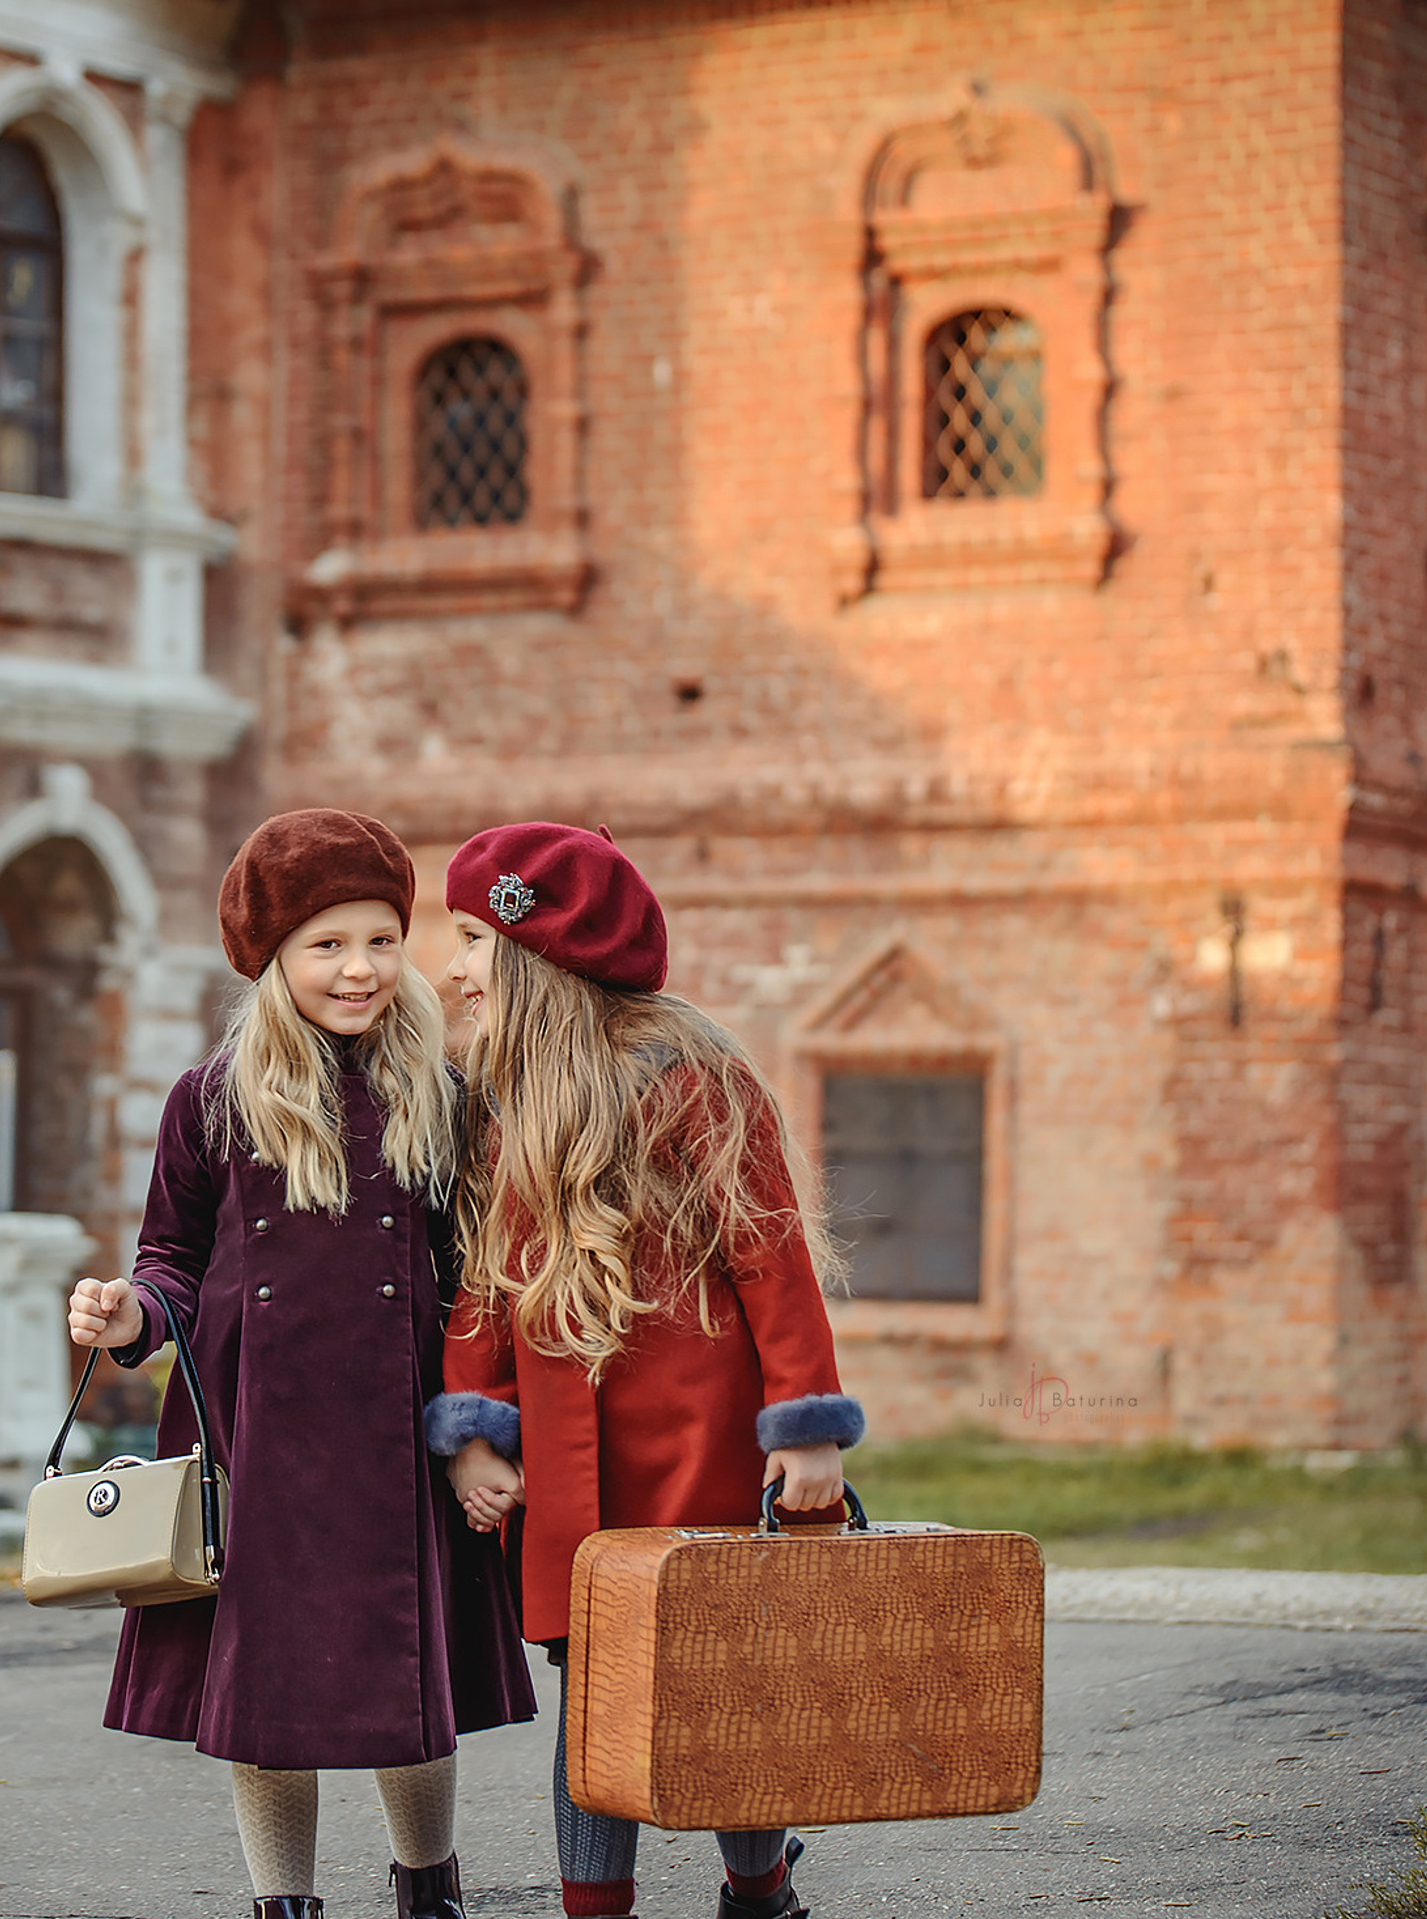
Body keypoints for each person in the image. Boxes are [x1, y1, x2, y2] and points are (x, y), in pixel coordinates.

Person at [67, 808, 536, 1919]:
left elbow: (481, 1283)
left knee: (403, 1670)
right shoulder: (212, 1099)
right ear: (272, 956)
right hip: (253, 1437)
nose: (361, 968)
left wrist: (474, 1428)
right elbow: (172, 1259)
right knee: (267, 1686)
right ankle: (284, 1904)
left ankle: (430, 1890)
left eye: (382, 938)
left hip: (400, 1431)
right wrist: (130, 1313)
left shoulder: (449, 1094)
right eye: (328, 944)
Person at [424, 822, 865, 1919]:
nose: (452, 967)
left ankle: (759, 1890)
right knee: (595, 1696)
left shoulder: (693, 1077)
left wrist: (803, 1428)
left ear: (537, 956)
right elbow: (485, 1278)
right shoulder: (499, 1101)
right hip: (573, 1471)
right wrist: (475, 1428)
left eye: (473, 939)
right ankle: (594, 1907)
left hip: (697, 1445)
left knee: (724, 1685)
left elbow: (771, 1256)